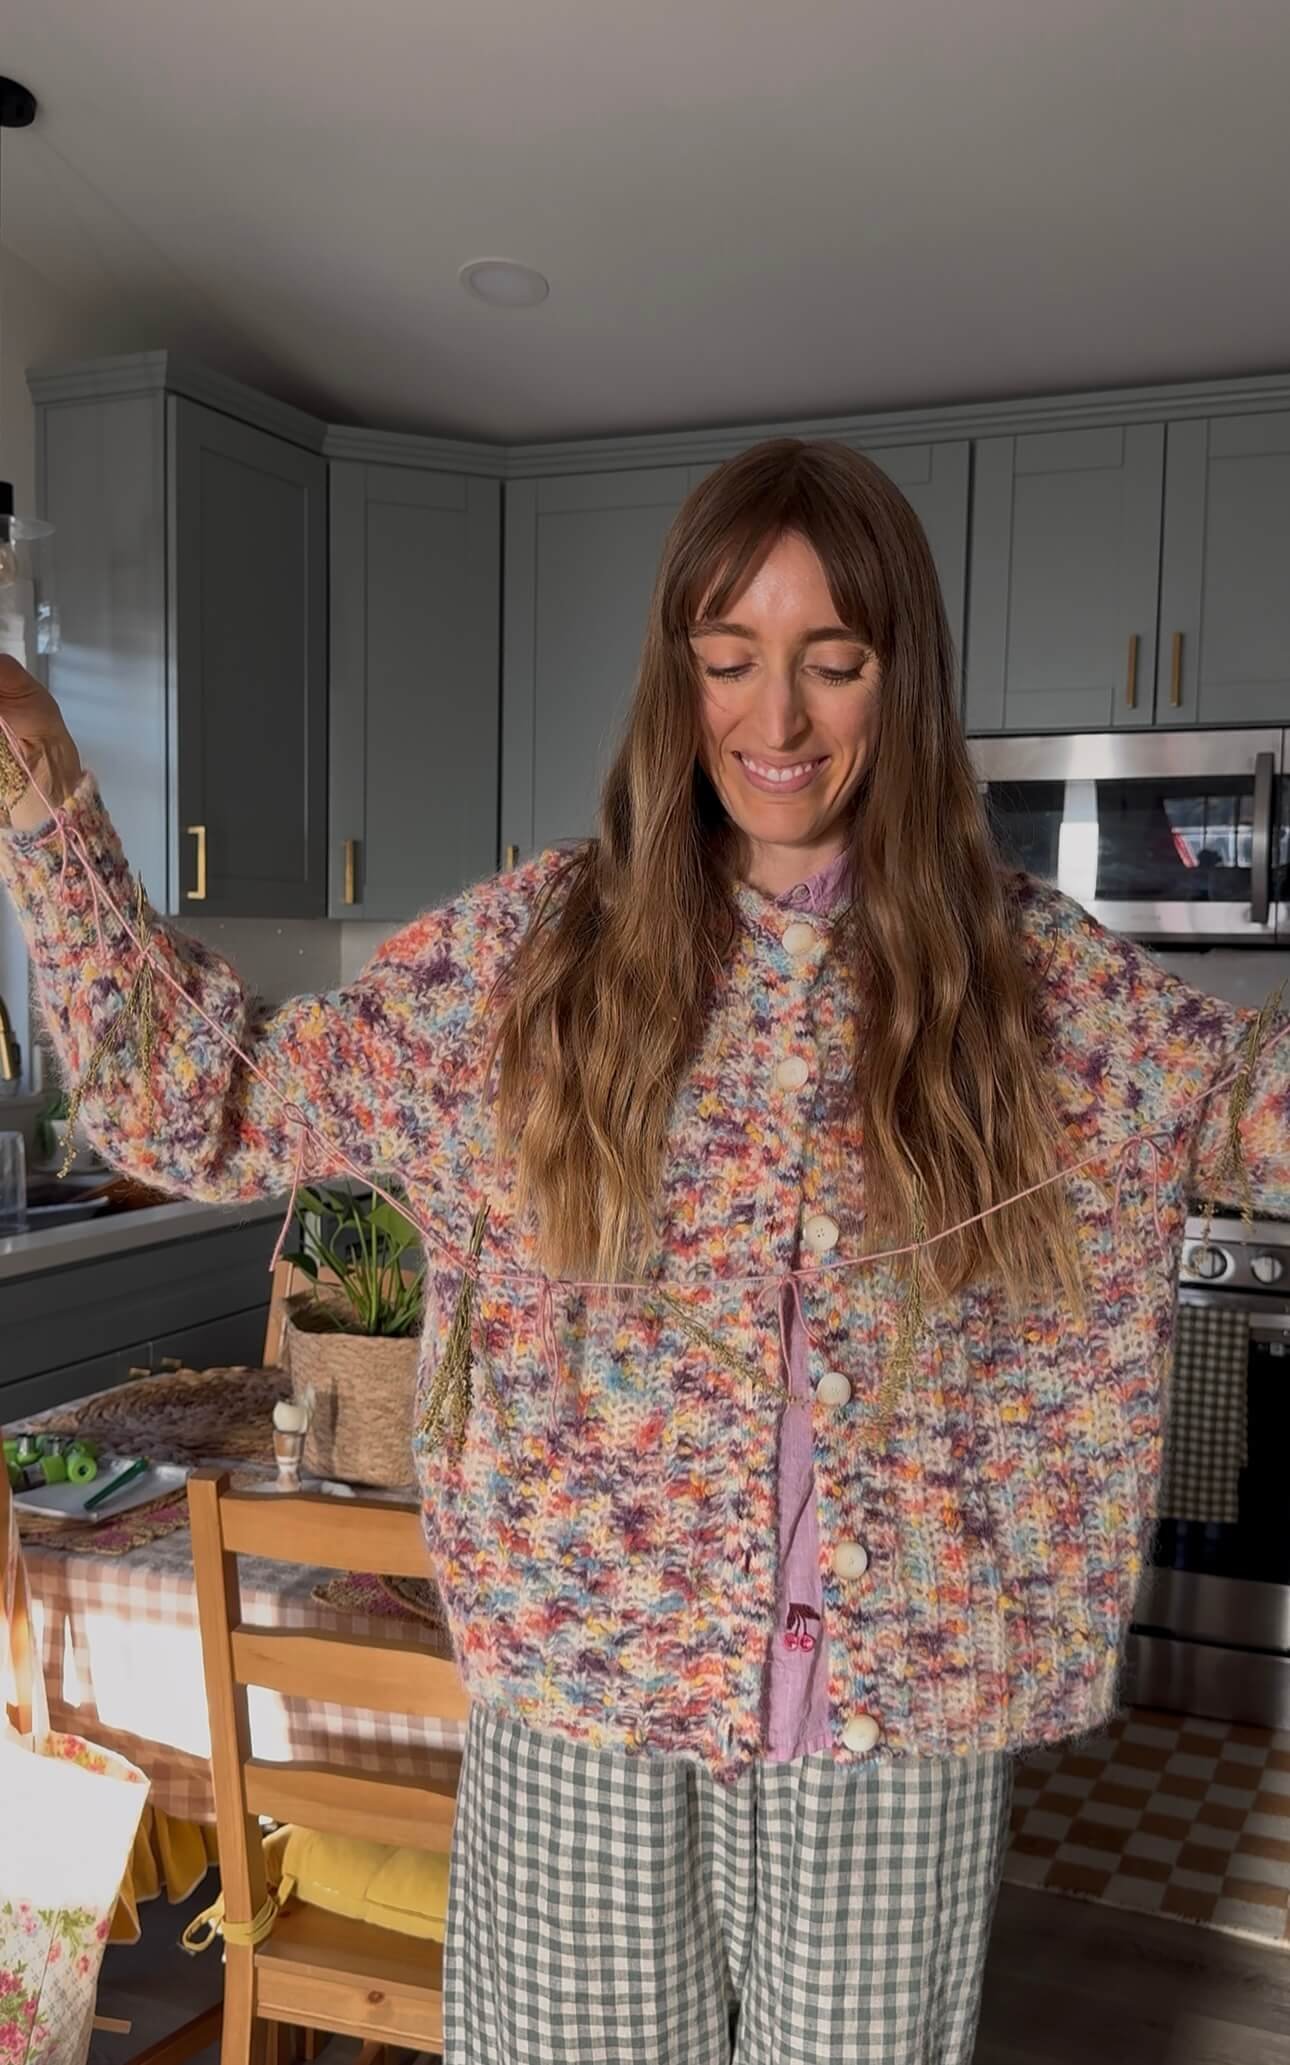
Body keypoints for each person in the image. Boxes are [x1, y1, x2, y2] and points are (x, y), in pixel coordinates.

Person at [1, 438, 1287, 2065]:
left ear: (903, 680)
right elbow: (204, 1101)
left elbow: (1252, 1108)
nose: (778, 720)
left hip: (887, 1741)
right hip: (585, 1701)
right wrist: (38, 772)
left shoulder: (1032, 986)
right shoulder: (532, 961)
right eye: (729, 660)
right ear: (673, 678)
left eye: (834, 661)